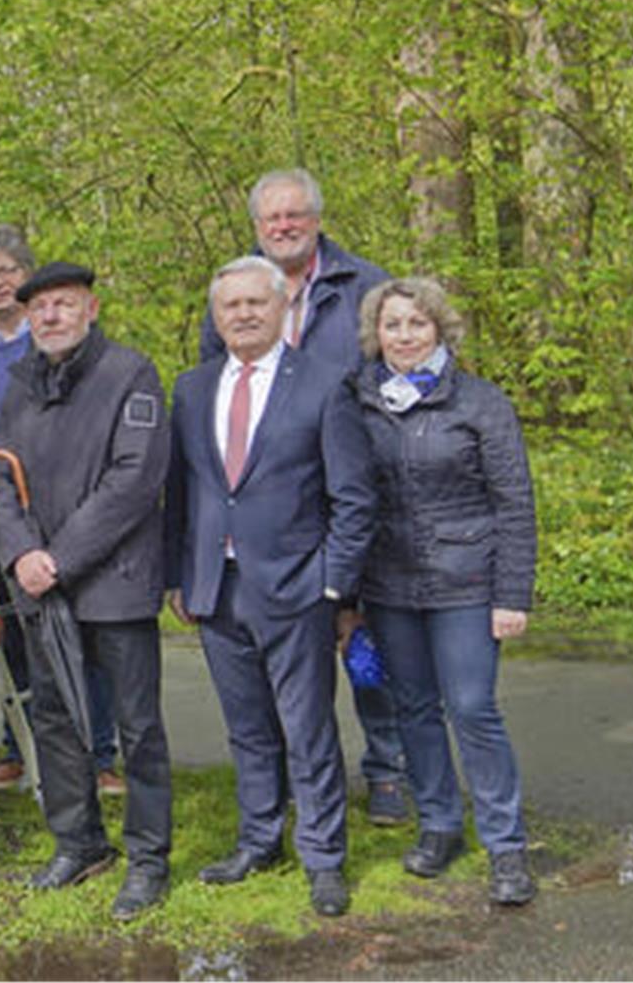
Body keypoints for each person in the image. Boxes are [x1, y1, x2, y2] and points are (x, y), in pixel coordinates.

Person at [166, 256, 377, 917]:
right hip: (215, 585)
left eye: (257, 302)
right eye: (231, 305)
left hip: (297, 587)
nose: (244, 314)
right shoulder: (193, 388)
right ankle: (260, 839)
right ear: (217, 315)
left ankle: (323, 855)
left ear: (284, 305)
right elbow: (181, 492)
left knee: (306, 727)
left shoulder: (324, 383)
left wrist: (333, 583)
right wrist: (179, 573)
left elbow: (354, 496)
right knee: (248, 727)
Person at [198, 168, 409, 824]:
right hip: (273, 495)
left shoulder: (363, 284)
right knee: (292, 659)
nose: (283, 227)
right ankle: (295, 781)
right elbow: (219, 377)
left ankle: (388, 767)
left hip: (351, 478)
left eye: (294, 215)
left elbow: (394, 371)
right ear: (257, 228)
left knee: (362, 634)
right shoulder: (238, 290)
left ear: (317, 218)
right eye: (271, 219)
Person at [0, 263, 176, 920]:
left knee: (137, 725)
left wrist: (57, 558)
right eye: (39, 308)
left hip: (113, 585)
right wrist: (20, 554)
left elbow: (134, 480)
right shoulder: (20, 385)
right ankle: (79, 841)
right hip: (42, 589)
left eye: (63, 304)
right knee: (56, 720)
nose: (50, 317)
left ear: (91, 307)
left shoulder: (130, 374)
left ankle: (148, 857)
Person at [352, 278, 539, 906]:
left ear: (440, 329)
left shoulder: (481, 403)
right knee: (412, 708)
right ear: (376, 334)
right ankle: (438, 825)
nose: (404, 336)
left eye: (417, 324)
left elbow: (514, 505)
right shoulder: (358, 400)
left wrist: (513, 594)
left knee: (472, 708)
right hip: (389, 584)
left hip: (467, 581)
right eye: (392, 325)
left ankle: (505, 844)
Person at [0, 225, 125, 798]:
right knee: (10, 634)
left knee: (78, 635)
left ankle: (97, 754)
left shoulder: (57, 337)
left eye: (7, 271)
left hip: (57, 504)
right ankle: (19, 747)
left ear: (27, 277)